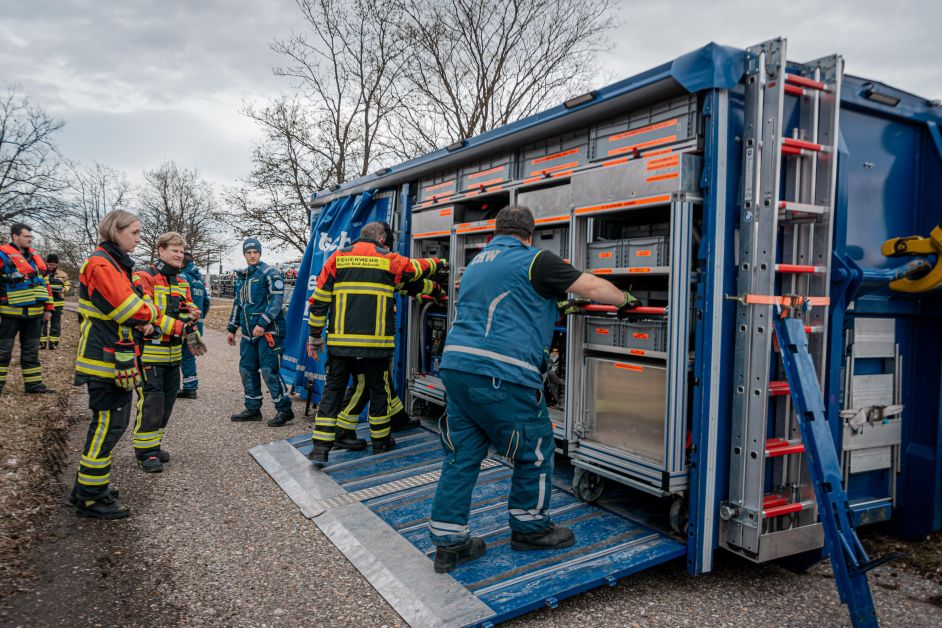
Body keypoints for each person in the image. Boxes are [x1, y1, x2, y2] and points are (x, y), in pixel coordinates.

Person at [427, 206, 641, 573]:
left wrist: (551, 303)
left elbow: (508, 301)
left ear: (497, 231)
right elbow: (590, 285)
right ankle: (530, 528)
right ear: (530, 233)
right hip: (501, 373)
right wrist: (625, 301)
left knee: (462, 455)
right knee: (536, 449)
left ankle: (449, 543)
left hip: (457, 369)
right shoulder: (535, 259)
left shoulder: (480, 261)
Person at [71, 210, 185, 518]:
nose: (138, 238)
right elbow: (130, 307)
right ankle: (92, 498)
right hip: (104, 360)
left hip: (113, 357)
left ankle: (86, 487)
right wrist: (164, 323)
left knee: (108, 424)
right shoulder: (100, 264)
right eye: (134, 232)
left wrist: (148, 318)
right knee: (109, 426)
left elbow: (136, 307)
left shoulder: (114, 264)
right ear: (116, 231)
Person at [305, 222, 446, 463]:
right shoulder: (387, 259)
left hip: (341, 343)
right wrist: (441, 264)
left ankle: (320, 449)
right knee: (378, 389)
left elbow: (319, 301)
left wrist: (315, 336)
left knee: (333, 391)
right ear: (381, 239)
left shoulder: (337, 258)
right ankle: (381, 442)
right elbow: (413, 271)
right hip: (375, 344)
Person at [131, 233, 206, 472]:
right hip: (150, 354)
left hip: (174, 354)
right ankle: (145, 453)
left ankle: (155, 444)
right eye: (174, 250)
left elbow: (188, 305)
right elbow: (148, 313)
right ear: (161, 251)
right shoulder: (145, 277)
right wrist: (180, 324)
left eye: (181, 252)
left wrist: (193, 315)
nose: (179, 255)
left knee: (168, 402)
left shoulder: (182, 281)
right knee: (152, 402)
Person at [227, 238, 294, 427]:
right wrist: (231, 328)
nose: (252, 255)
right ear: (244, 254)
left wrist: (263, 323)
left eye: (255, 252)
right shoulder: (243, 277)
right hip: (248, 335)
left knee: (268, 370)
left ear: (260, 253)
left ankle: (284, 409)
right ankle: (253, 408)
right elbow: (238, 304)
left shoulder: (270, 273)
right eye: (248, 252)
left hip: (269, 332)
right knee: (246, 369)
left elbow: (276, 301)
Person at [0, 223, 55, 394]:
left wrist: (48, 308)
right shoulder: (2, 255)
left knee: (31, 352)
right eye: (26, 236)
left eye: (31, 237)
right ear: (15, 237)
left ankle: (34, 385)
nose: (30, 239)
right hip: (9, 313)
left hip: (35, 314)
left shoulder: (35, 258)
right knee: (3, 352)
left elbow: (45, 284)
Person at [177, 251, 211, 399]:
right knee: (189, 356)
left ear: (182, 263)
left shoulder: (182, 277)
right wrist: (200, 316)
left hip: (183, 324)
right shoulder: (198, 280)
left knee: (181, 355)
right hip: (196, 325)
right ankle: (190, 387)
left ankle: (188, 388)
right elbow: (206, 302)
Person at [40, 253, 70, 349]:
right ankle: (42, 343)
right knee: (42, 323)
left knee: (56, 324)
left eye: (53, 264)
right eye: (50, 264)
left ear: (56, 264)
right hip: (44, 303)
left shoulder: (63, 274)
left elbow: (68, 284)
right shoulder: (41, 272)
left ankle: (53, 344)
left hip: (58, 303)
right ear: (47, 263)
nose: (51, 266)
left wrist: (64, 289)